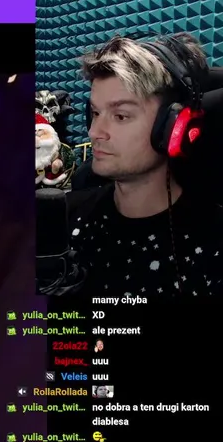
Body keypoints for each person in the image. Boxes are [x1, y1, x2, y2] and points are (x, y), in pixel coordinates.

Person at [72, 33, 221, 298]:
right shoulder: (62, 217)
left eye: (120, 116)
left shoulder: (214, 241)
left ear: (173, 126)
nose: (94, 132)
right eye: (95, 113)